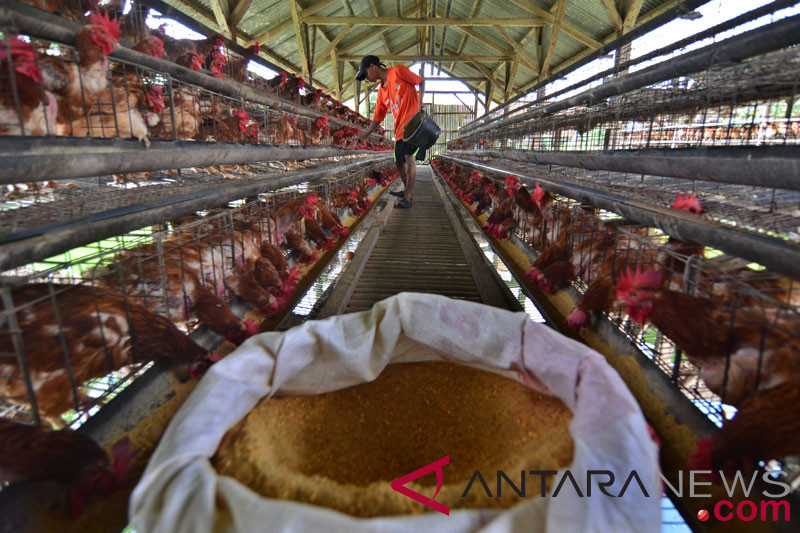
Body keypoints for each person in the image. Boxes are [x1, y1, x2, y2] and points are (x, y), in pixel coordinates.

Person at [347, 55, 425, 209]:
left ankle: (408, 196)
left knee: (410, 158)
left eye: (366, 74)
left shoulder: (398, 71)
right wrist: (363, 136)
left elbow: (421, 82)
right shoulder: (381, 93)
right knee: (398, 161)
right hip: (399, 130)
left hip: (413, 125)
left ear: (372, 67)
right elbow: (377, 119)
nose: (367, 79)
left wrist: (420, 104)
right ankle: (407, 189)